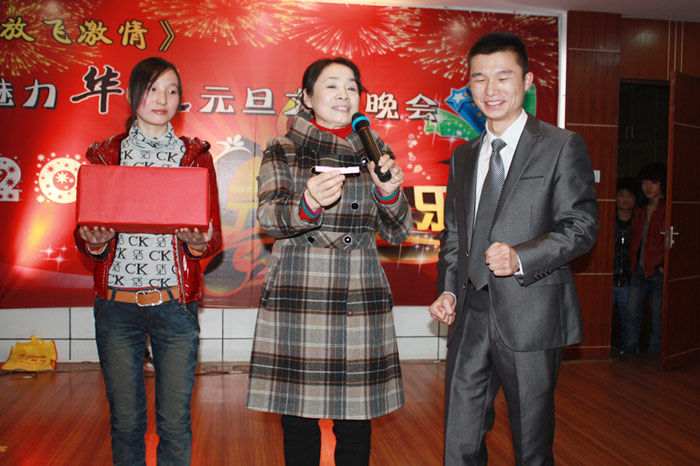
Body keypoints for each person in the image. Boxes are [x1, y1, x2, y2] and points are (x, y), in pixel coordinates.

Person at [428, 32, 599, 465]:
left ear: (527, 81)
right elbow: (454, 235)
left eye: (503, 77)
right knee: (459, 440)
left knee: (531, 445)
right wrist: (448, 288)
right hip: (469, 313)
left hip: (531, 315)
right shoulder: (464, 155)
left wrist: (522, 257)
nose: (491, 89)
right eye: (479, 78)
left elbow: (581, 227)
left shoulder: (561, 145)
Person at [246, 57, 412, 466]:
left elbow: (398, 231)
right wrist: (308, 202)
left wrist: (388, 192)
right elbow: (269, 217)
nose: (344, 94)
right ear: (307, 97)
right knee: (298, 420)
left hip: (359, 292)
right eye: (332, 85)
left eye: (352, 87)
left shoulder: (376, 150)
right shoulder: (283, 148)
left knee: (355, 422)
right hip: (301, 291)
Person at [74, 57, 222, 465]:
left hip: (175, 305)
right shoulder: (105, 155)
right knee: (125, 422)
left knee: (175, 423)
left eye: (172, 91)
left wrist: (199, 244)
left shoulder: (195, 157)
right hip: (117, 307)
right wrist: (95, 242)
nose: (162, 99)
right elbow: (83, 232)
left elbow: (213, 237)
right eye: (153, 89)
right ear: (132, 95)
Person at [622, 162, 666, 355]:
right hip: (639, 269)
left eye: (653, 183)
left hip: (658, 269)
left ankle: (656, 355)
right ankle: (629, 351)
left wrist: (665, 264)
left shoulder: (668, 207)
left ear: (661, 184)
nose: (648, 187)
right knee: (631, 313)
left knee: (658, 316)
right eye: (644, 183)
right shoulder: (640, 207)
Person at [613, 177, 639, 353]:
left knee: (630, 320)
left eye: (630, 195)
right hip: (608, 279)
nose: (625, 199)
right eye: (621, 195)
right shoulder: (608, 219)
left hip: (630, 280)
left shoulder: (640, 220)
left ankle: (630, 355)